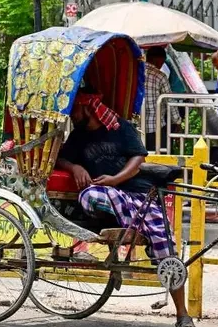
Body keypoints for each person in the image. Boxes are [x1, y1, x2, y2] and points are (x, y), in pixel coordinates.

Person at [57, 90, 193, 327]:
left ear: (87, 107)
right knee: (88, 196)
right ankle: (116, 227)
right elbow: (61, 158)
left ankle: (183, 314)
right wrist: (75, 167)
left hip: (139, 194)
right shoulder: (78, 136)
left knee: (165, 249)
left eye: (74, 109)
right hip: (110, 197)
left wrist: (115, 179)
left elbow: (138, 159)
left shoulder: (121, 127)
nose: (71, 115)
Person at [144, 46, 181, 152]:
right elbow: (169, 101)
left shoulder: (134, 72)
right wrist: (177, 122)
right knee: (159, 159)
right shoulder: (160, 76)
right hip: (155, 127)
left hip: (137, 128)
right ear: (158, 60)